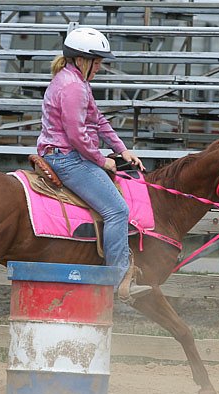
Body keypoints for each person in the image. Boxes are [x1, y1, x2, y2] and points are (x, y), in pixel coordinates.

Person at [37, 26, 150, 298]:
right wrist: (103, 160)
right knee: (117, 211)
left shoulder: (76, 82)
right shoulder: (73, 87)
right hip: (67, 159)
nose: (100, 67)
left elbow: (97, 120)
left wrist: (122, 150)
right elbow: (76, 135)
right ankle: (119, 279)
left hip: (67, 154)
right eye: (97, 62)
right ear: (81, 60)